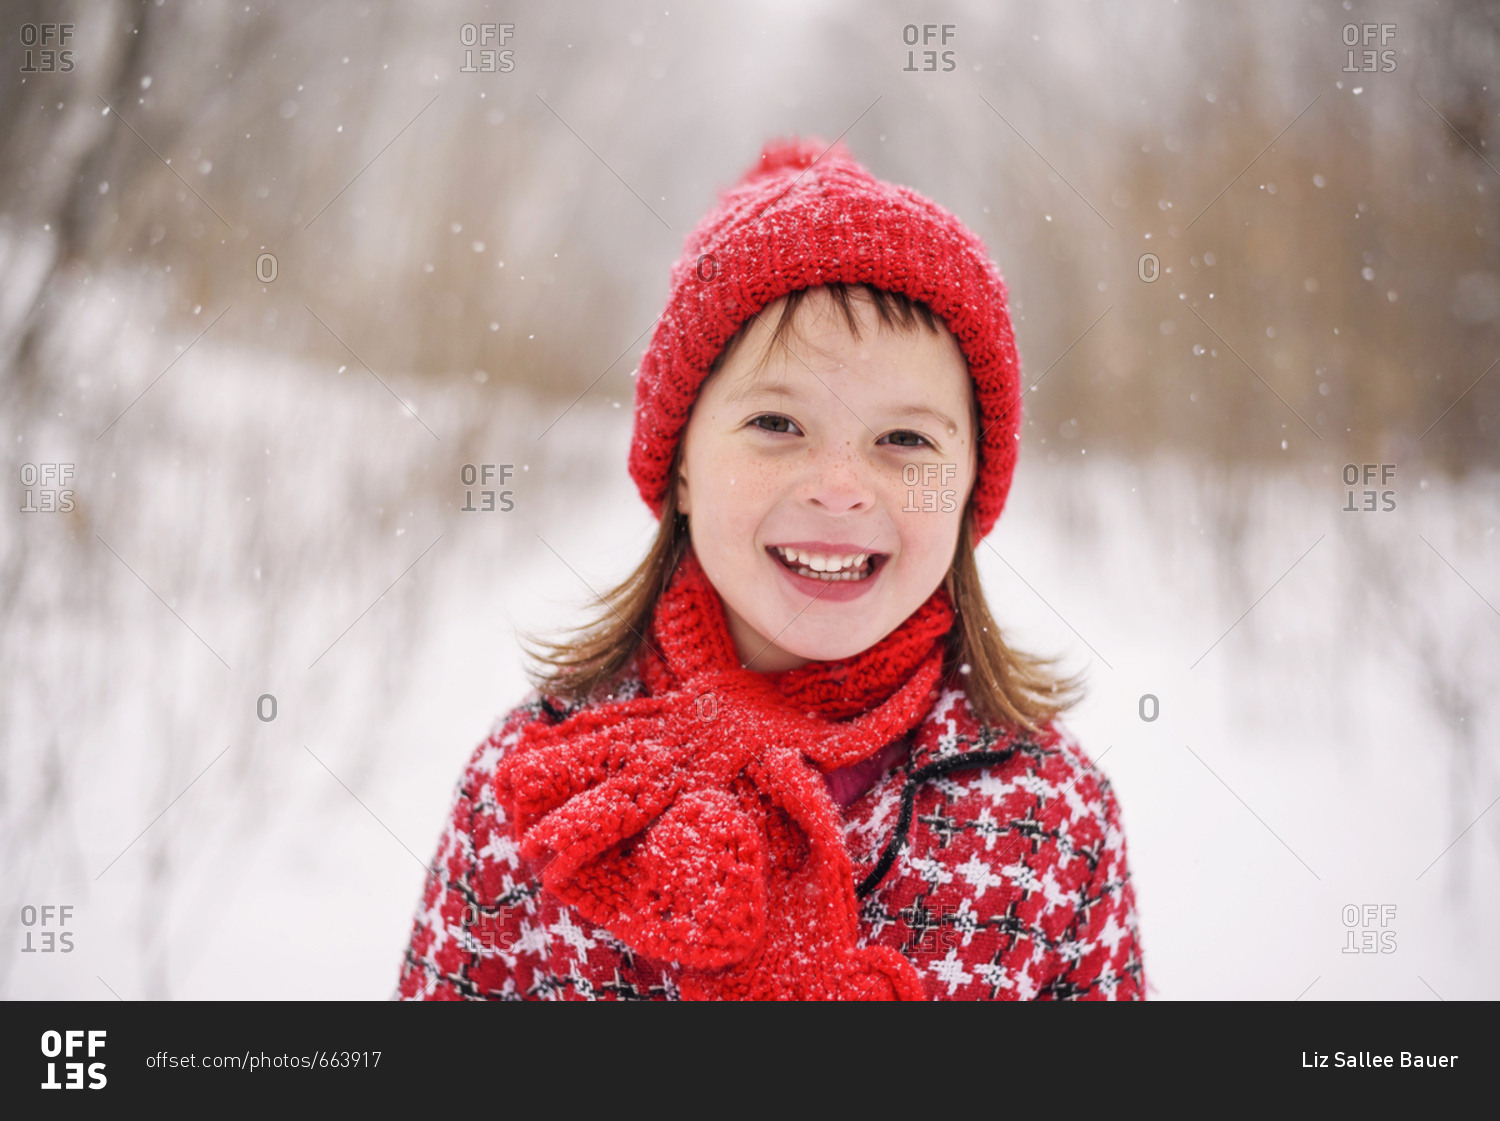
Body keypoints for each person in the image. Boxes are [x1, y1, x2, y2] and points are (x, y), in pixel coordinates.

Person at [396, 136, 1144, 1000]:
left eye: (905, 439)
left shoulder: (1052, 820)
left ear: (972, 483)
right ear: (680, 463)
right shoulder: (536, 788)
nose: (839, 490)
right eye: (778, 424)